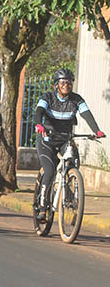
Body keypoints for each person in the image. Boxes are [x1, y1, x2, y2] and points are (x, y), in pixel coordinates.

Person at [33, 68, 105, 218]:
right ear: (56, 85)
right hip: (47, 139)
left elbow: (86, 114)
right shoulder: (48, 97)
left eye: (69, 83)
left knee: (73, 162)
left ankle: (67, 189)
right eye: (63, 82)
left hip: (65, 139)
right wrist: (39, 124)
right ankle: (42, 206)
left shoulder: (76, 99)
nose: (66, 85)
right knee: (49, 171)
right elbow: (39, 111)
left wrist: (96, 130)